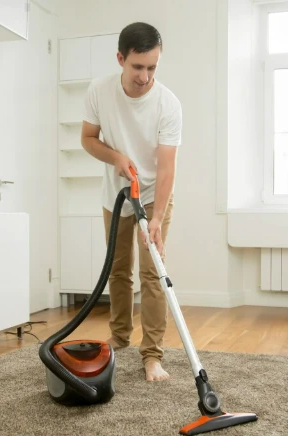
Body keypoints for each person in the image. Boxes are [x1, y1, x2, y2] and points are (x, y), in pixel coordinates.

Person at [80, 22, 182, 382]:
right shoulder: (99, 90)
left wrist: (156, 219)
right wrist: (116, 158)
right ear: (120, 59)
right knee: (118, 270)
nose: (145, 76)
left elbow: (167, 168)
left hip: (154, 195)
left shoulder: (168, 104)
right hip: (116, 195)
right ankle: (120, 337)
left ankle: (152, 355)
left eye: (152, 67)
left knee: (153, 273)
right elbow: (88, 138)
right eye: (138, 67)